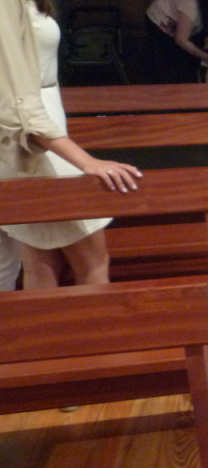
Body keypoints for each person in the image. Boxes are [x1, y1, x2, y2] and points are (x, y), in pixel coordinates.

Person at [0, 0, 141, 289]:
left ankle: (50, 323)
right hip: (32, 140)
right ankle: (98, 321)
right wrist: (86, 162)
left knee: (42, 263)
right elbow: (20, 101)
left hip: (38, 132)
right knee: (91, 263)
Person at [146, 0, 208, 83]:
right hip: (161, 20)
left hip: (190, 21)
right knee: (171, 69)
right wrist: (207, 58)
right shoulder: (190, 5)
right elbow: (181, 40)